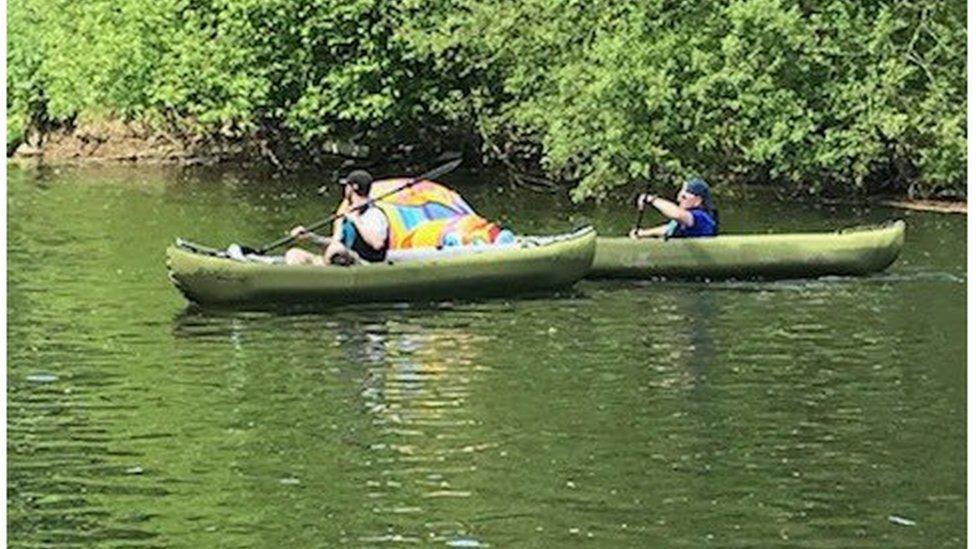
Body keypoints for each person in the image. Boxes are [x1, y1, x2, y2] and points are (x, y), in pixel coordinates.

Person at [285, 169, 390, 265]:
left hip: (365, 264)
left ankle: (325, 271)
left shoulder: (374, 214)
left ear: (351, 189)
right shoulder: (346, 214)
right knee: (294, 254)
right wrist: (310, 237)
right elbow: (335, 242)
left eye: (346, 186)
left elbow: (377, 244)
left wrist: (356, 221)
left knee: (337, 249)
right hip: (342, 260)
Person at [630, 178, 718, 239]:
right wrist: (643, 233)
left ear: (697, 200)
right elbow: (669, 229)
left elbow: (677, 214)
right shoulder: (686, 219)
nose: (678, 199)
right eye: (679, 195)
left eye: (684, 197)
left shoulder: (701, 218)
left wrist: (651, 200)